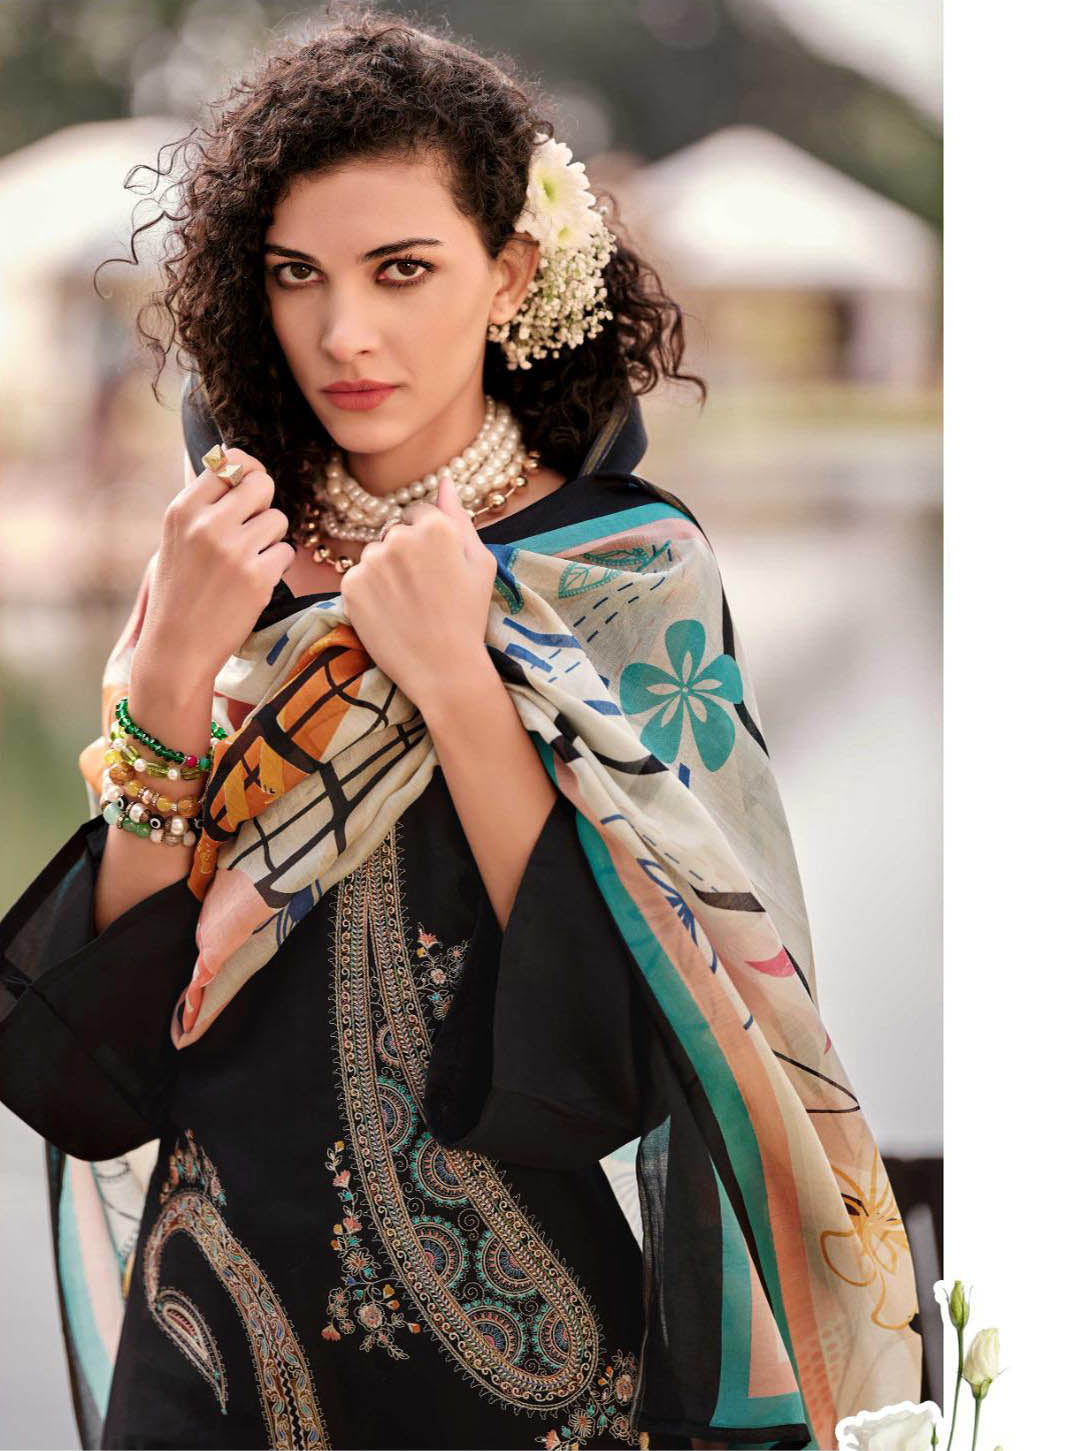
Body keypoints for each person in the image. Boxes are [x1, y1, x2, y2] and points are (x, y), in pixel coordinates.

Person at [0, 10, 924, 1451]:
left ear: (510, 271)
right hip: (205, 1353)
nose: (344, 334)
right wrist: (168, 682)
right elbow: (92, 1070)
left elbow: (628, 1066)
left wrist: (461, 681)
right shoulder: (224, 563)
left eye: (402, 269)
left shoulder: (625, 575)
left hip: (517, 1378)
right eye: (296, 274)